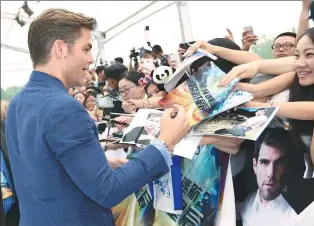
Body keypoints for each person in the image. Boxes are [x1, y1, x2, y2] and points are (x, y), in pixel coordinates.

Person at [5, 8, 190, 226]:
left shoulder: (18, 103)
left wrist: (99, 164)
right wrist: (164, 143)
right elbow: (108, 191)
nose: (91, 59)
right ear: (61, 48)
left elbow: (43, 169)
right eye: (86, 49)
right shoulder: (64, 108)